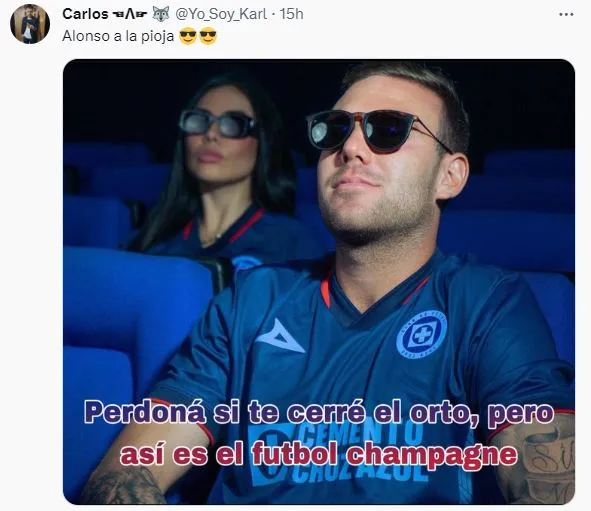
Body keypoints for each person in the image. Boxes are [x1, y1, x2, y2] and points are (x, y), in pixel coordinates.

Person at [80, 61, 575, 505]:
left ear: (451, 175)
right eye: (335, 130)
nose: (350, 148)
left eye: (389, 129)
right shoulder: (250, 301)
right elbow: (126, 470)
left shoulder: (486, 302)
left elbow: (549, 480)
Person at [127, 71, 327, 274]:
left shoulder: (291, 243)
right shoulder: (155, 244)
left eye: (233, 124)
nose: (210, 134)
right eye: (199, 120)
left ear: (263, 143)